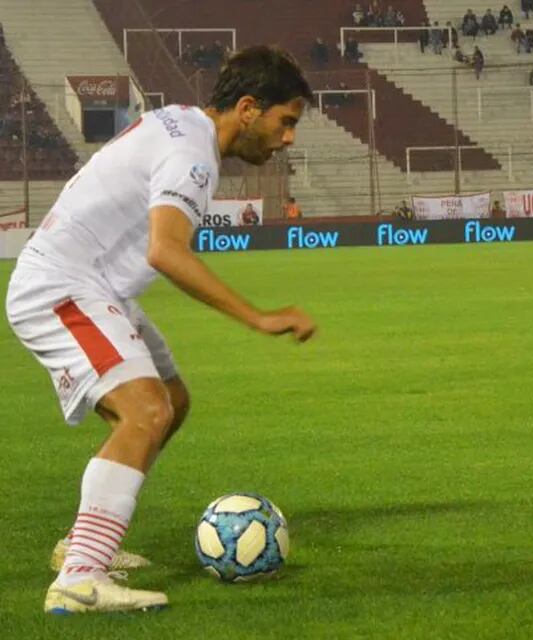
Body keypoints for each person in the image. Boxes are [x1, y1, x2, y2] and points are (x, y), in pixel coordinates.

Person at [6, 46, 317, 614]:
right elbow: (166, 252)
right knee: (146, 410)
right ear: (248, 108)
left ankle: (85, 541)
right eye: (285, 121)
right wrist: (259, 316)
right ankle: (80, 577)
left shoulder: (183, 124)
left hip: (96, 286)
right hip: (62, 286)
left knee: (171, 399)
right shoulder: (192, 157)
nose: (288, 138)